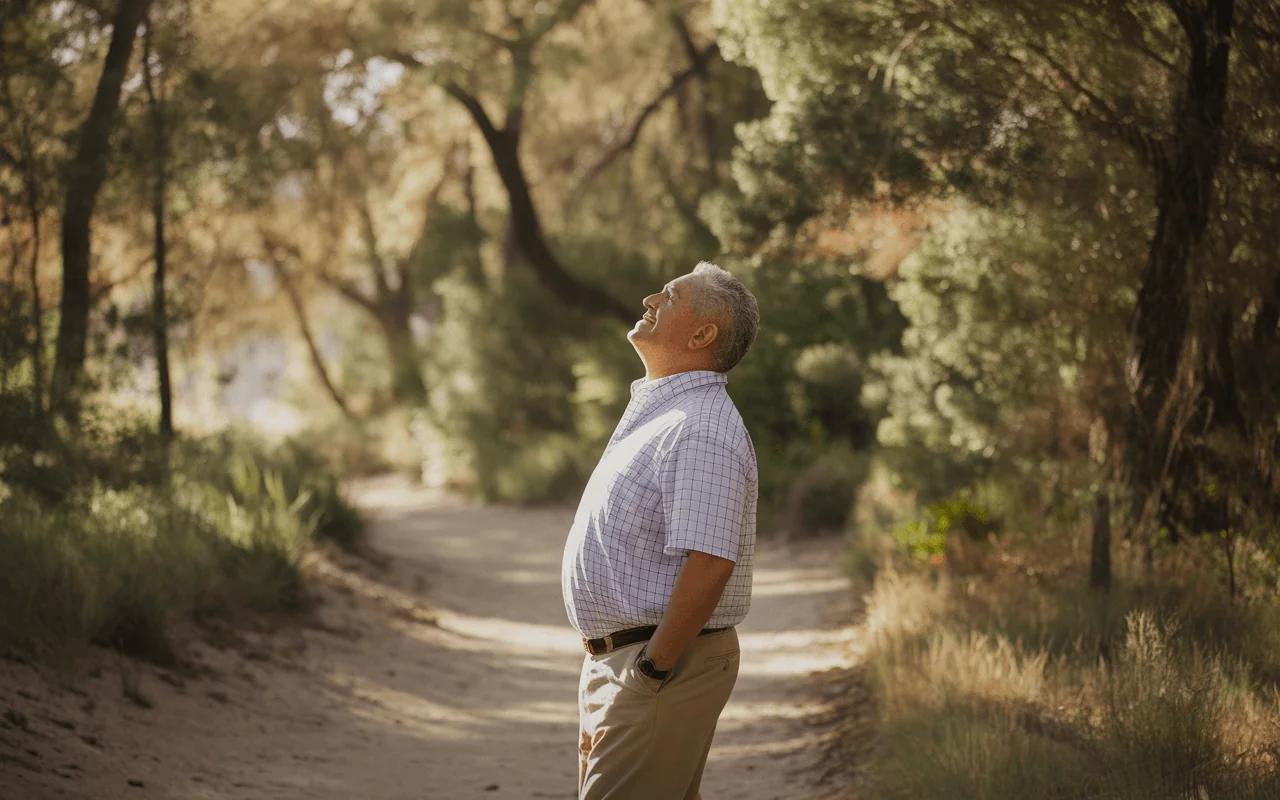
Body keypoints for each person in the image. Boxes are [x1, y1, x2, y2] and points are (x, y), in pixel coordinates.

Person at [562, 261, 761, 799]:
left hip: (659, 666)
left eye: (669, 296)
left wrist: (652, 669)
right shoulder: (669, 413)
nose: (651, 297)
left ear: (702, 334)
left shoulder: (699, 428)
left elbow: (712, 560)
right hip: (628, 663)